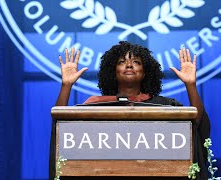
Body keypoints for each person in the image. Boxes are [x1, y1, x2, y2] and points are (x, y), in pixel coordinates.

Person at [51, 41, 210, 180]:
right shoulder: (95, 107)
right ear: (113, 71)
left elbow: (196, 123)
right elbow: (61, 125)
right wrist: (66, 85)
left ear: (145, 72)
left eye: (136, 62)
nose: (129, 65)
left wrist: (190, 85)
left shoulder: (165, 106)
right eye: (122, 61)